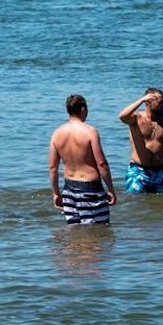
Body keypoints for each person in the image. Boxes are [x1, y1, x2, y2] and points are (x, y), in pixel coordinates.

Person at [48, 94, 115, 226]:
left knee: (75, 234)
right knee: (97, 233)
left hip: (69, 190)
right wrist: (111, 189)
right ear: (83, 110)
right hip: (91, 190)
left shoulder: (57, 134)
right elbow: (101, 163)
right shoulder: (90, 132)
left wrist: (56, 193)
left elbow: (53, 168)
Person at [118, 88, 163, 193]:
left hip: (160, 171)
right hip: (138, 172)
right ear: (148, 102)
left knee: (160, 205)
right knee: (135, 205)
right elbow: (122, 116)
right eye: (160, 102)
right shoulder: (136, 118)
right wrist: (141, 100)